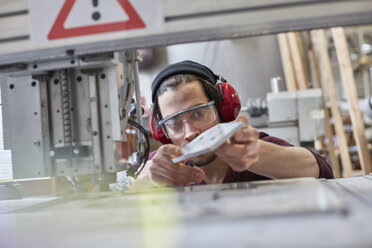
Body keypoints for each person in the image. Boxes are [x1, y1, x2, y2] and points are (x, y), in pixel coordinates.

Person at [135, 60, 333, 187]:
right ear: (162, 131)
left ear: (223, 109)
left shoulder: (255, 146)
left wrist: (257, 156)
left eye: (197, 114)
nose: (189, 133)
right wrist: (150, 178)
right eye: (174, 123)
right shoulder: (165, 164)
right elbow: (128, 188)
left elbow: (320, 170)